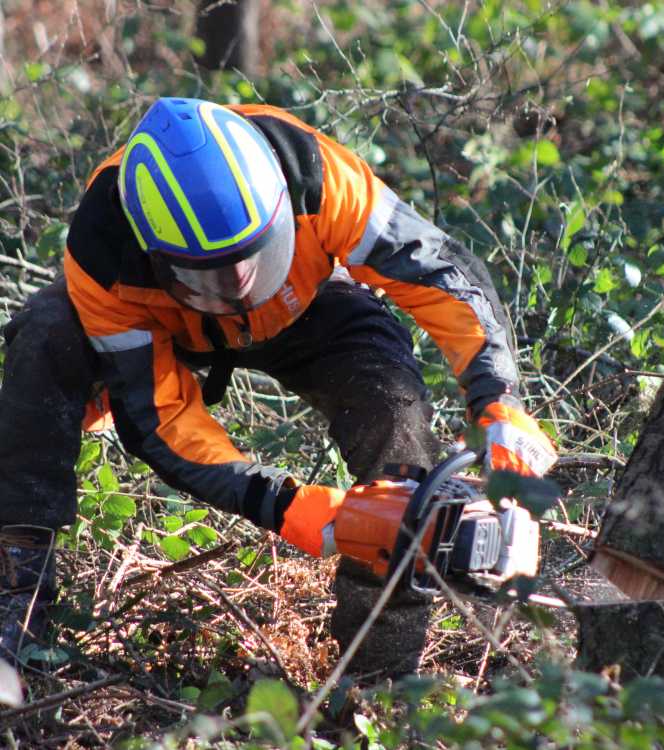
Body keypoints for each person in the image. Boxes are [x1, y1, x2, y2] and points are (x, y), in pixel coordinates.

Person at [0, 98, 556, 674]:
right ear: (153, 251)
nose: (238, 284)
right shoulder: (103, 248)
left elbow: (440, 273)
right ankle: (18, 591)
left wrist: (497, 399)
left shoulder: (316, 173)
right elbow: (160, 419)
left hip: (309, 300)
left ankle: (376, 676)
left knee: (396, 417)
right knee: (47, 336)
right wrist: (289, 505)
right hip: (168, 327)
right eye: (213, 273)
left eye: (248, 259)